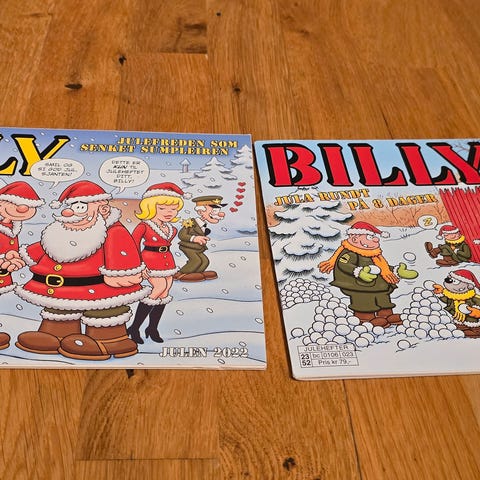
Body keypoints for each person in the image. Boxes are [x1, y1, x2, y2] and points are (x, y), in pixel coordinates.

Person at [9, 180, 150, 360]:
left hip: (99, 290)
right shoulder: (59, 231)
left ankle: (108, 341)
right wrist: (19, 257)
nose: (69, 213)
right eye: (70, 207)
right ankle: (56, 335)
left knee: (104, 312)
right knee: (60, 310)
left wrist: (123, 275)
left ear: (103, 209)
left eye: (80, 207)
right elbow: (44, 247)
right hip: (59, 292)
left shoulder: (112, 231)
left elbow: (122, 253)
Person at [319, 221, 418, 327]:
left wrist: (396, 271)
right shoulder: (350, 253)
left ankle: (387, 315)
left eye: (374, 236)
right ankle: (366, 318)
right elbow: (344, 264)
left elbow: (383, 268)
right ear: (355, 239)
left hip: (378, 285)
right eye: (370, 237)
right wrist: (360, 272)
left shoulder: (375, 256)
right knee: (364, 300)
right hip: (359, 286)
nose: (376, 239)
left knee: (383, 298)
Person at [128, 182, 186, 344]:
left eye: (173, 209)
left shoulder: (171, 228)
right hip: (150, 261)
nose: (169, 212)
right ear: (151, 207)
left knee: (165, 292)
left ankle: (152, 328)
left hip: (167, 261)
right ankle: (134, 327)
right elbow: (133, 246)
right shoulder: (144, 226)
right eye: (162, 208)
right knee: (158, 288)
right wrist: (139, 266)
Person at [0, 181, 44, 349]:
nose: (22, 209)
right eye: (15, 203)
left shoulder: (12, 227)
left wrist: (11, 257)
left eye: (27, 206)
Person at [175, 195, 226, 282]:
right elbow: (181, 235)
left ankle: (197, 273)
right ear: (200, 211)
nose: (219, 214)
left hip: (198, 248)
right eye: (214, 211)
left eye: (218, 211)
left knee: (205, 261)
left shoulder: (204, 224)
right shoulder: (191, 222)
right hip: (188, 247)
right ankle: (181, 274)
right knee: (196, 261)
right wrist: (194, 238)